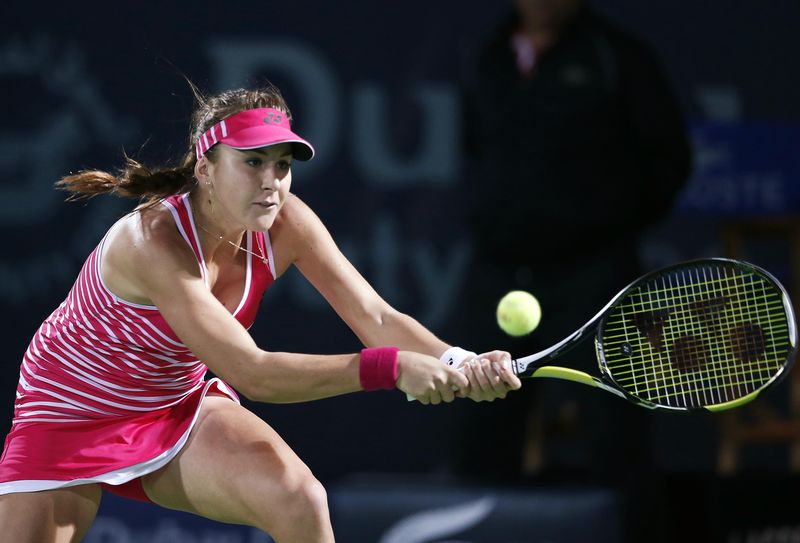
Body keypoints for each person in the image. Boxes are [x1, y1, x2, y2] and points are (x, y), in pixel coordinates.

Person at [0, 84, 522, 543]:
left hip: (176, 405)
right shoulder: (150, 241)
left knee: (300, 499)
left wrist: (460, 360)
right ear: (204, 168)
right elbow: (253, 373)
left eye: (283, 165)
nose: (272, 180)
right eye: (252, 162)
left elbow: (377, 317)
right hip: (68, 411)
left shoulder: (288, 222)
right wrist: (391, 368)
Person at [451, 0, 693, 483]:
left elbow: (669, 160)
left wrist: (600, 225)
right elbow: (476, 145)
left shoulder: (615, 55)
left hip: (592, 276)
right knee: (480, 431)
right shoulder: (490, 54)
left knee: (615, 436)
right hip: (499, 271)